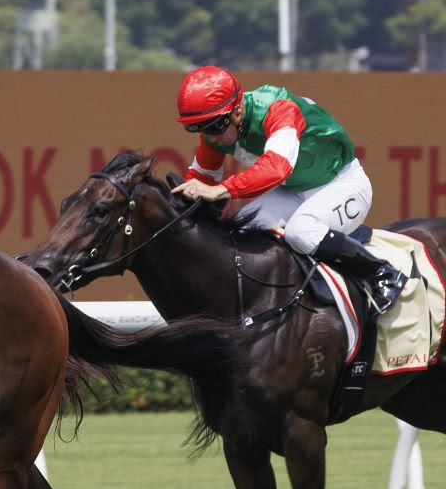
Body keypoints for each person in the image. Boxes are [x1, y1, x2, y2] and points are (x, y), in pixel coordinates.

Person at [170, 65, 406, 314]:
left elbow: (278, 167)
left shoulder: (277, 106)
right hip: (292, 191)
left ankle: (381, 271)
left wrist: (223, 190)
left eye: (215, 126)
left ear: (237, 110)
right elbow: (201, 178)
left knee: (300, 232)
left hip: (342, 184)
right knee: (241, 229)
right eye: (198, 128)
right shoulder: (215, 132)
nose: (211, 137)